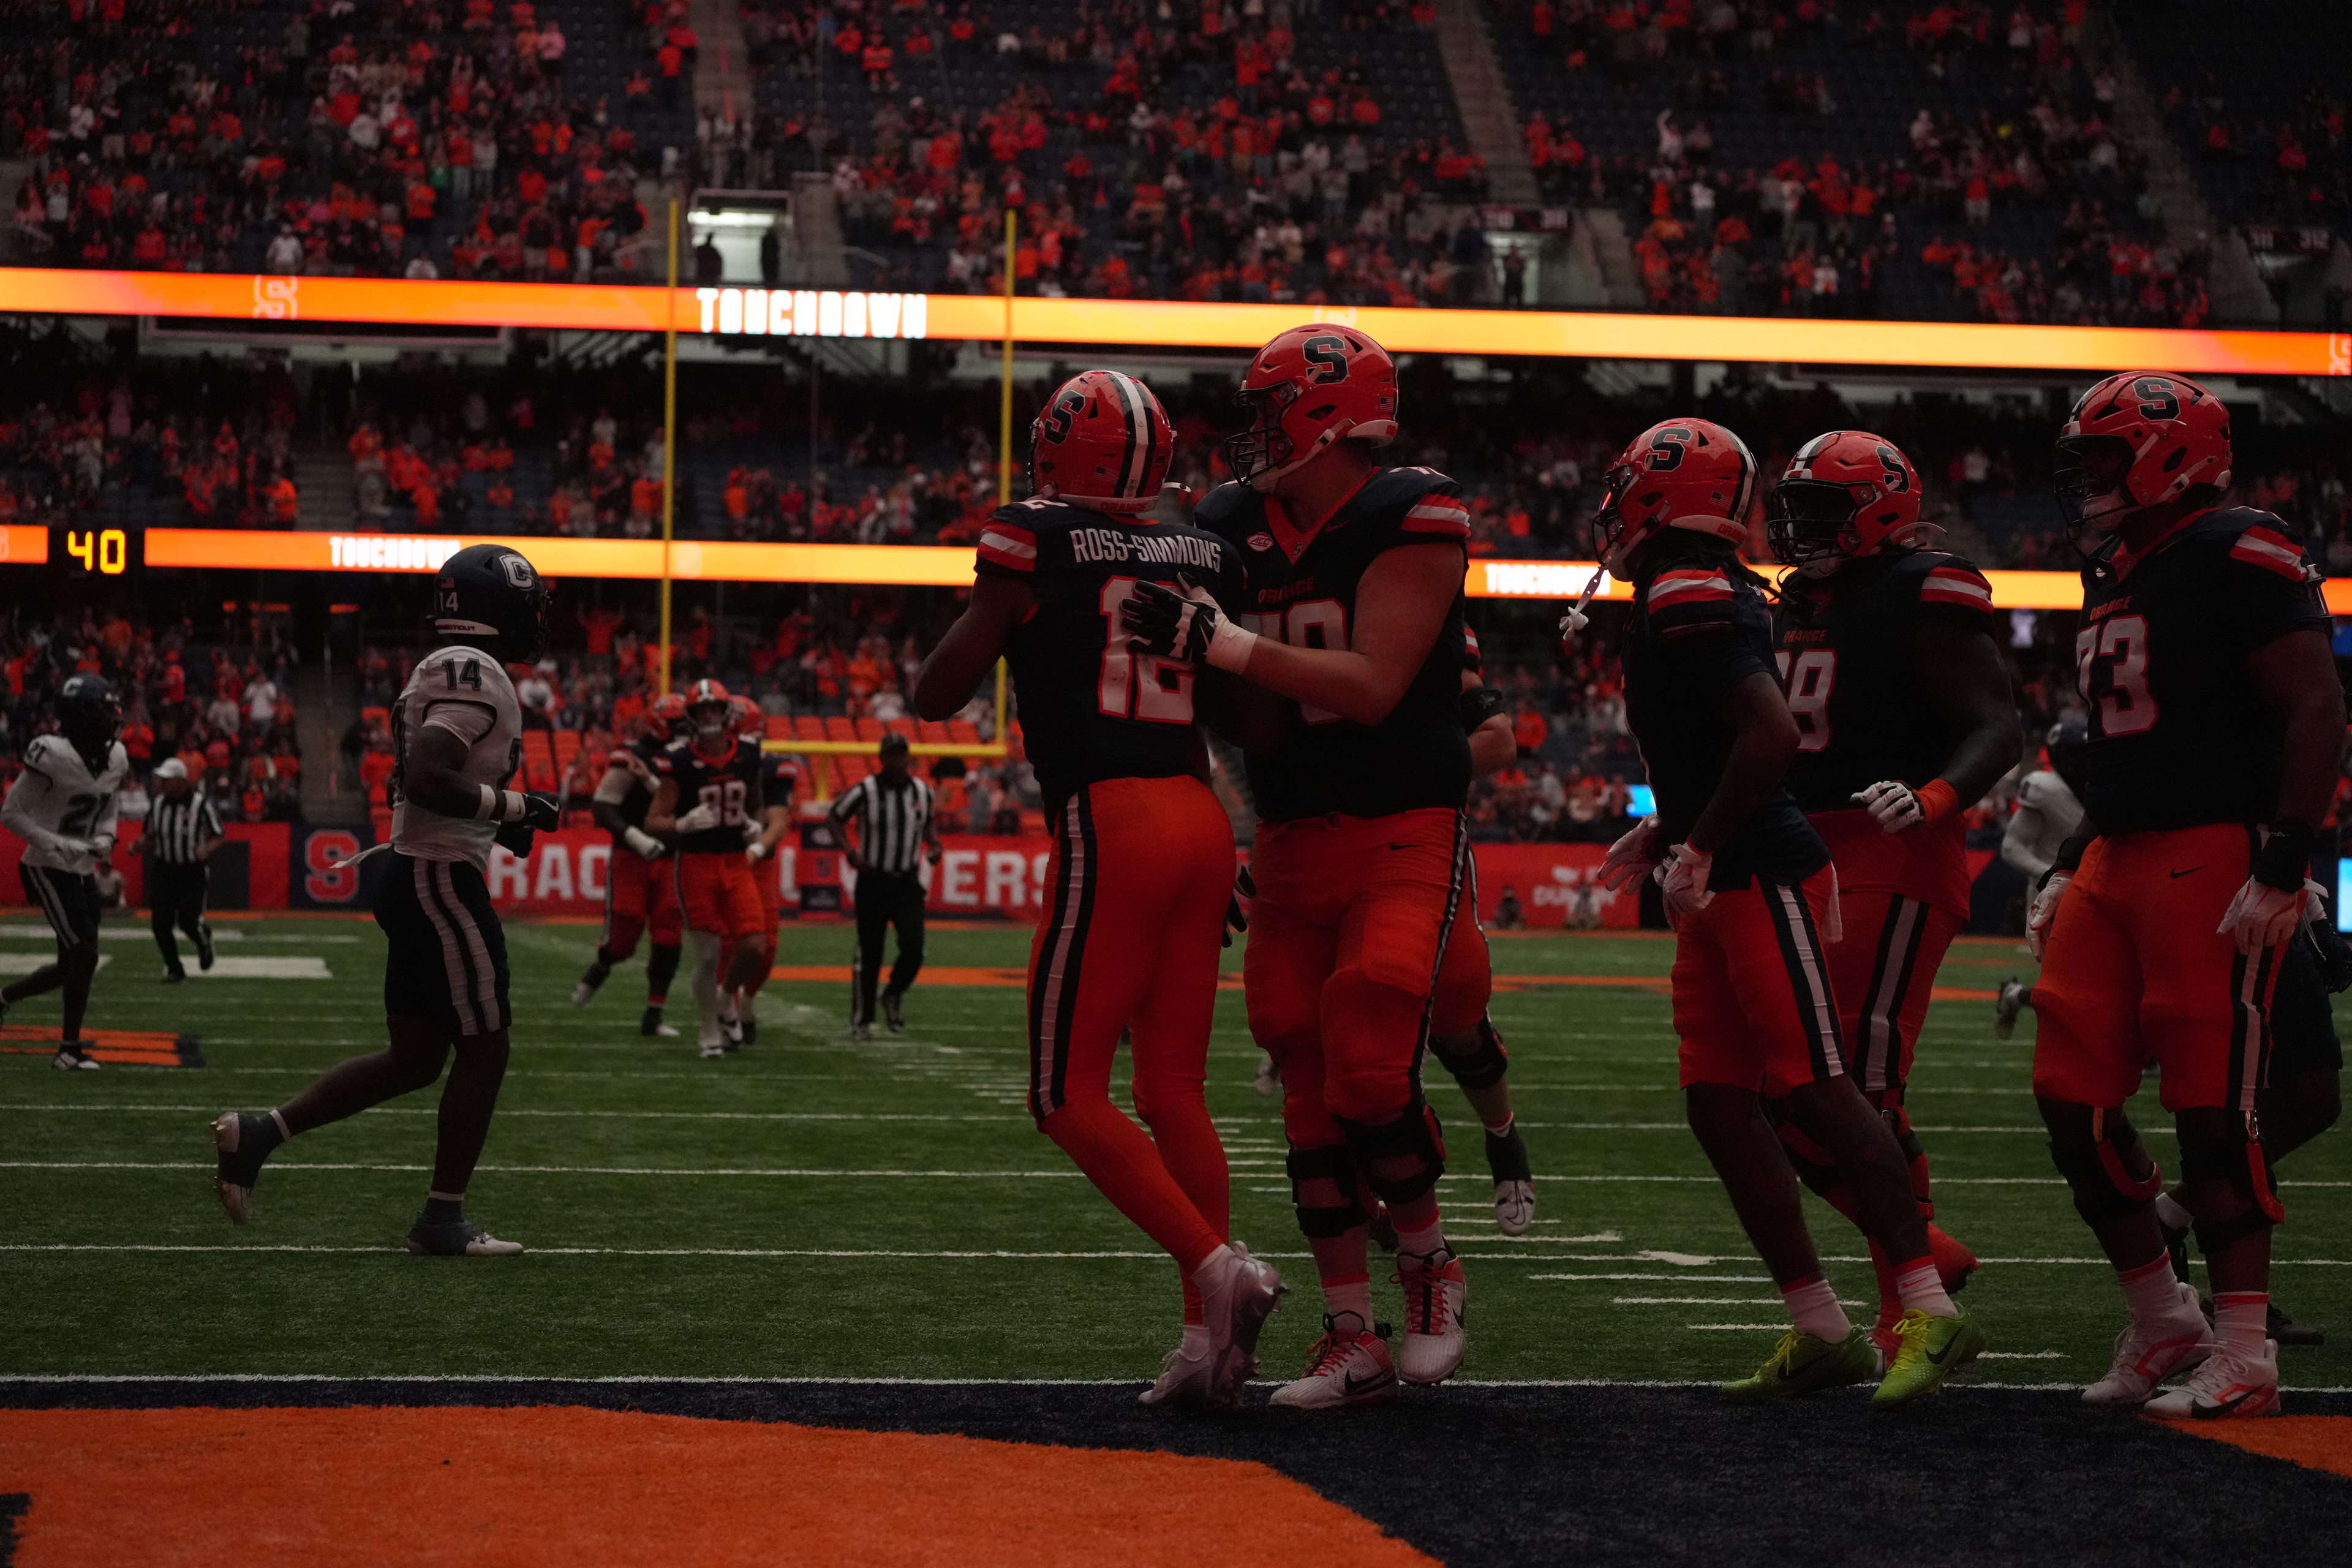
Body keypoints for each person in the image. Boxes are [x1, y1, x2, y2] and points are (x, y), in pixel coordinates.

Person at [1585, 417, 1983, 1407]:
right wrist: (1675, 827)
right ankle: (1821, 1325)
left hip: (1761, 868)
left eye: (1626, 487)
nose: (1611, 506)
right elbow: (1721, 739)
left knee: (1820, 1085)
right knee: (1720, 1102)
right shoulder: (1696, 586)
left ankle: (1927, 1304)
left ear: (1661, 495)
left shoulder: (1688, 589)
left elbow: (1769, 736)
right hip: (1727, 862)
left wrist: (1704, 842)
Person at [911, 367, 1283, 1409]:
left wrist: (1002, 613)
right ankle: (1207, 1342)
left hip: (1112, 819)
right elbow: (1236, 713)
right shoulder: (1203, 549)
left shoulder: (1031, 537)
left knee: (1065, 1093)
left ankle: (1219, 1270)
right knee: (1174, 1091)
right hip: (1202, 816)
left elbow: (936, 694)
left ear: (1058, 448)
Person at [1125, 324, 1474, 1407]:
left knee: (1370, 1053)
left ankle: (1430, 1263)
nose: (1252, 431)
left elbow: (1370, 687)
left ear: (1326, 415)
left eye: (1269, 408)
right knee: (1303, 1073)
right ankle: (1351, 1333)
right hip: (1287, 833)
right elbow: (1259, 722)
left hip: (1401, 820)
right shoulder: (1230, 521)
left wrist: (1223, 644)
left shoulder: (1412, 511)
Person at [2028, 371, 2345, 1417]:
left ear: (2170, 455)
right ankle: (2166, 1319)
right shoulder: (2118, 567)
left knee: (2216, 1109)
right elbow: (2132, 749)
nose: (2088, 477)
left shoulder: (2240, 546)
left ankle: (2246, 1354)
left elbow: (2316, 707)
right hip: (2117, 853)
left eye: (2104, 455)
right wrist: (2070, 859)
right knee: (2070, 1096)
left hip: (2210, 852)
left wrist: (2285, 857)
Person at [211, 543, 559, 1254]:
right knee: (485, 1047)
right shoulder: (474, 670)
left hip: (416, 870)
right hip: (438, 878)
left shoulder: (446, 666)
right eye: (526, 606)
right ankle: (441, 1219)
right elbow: (429, 777)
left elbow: (420, 780)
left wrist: (500, 820)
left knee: (416, 1058)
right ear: (497, 607)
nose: (534, 619)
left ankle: (260, 1133)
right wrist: (517, 806)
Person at [1764, 429, 2021, 1359]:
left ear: (1880, 511)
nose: (1803, 527)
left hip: (1894, 848)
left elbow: (1999, 726)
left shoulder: (1927, 587)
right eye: (1796, 507)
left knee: (1861, 1086)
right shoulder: (1798, 600)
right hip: (1800, 849)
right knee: (1777, 1084)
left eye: (1823, 509)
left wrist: (1935, 796)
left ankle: (1904, 1311)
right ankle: (1924, 1254)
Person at [1425, 624, 1538, 1235]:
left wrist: (1402, 770)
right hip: (1316, 834)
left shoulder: (1427, 619)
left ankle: (1503, 1137)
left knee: (1458, 1020)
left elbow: (1497, 740)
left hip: (1418, 831)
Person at [1, 674, 129, 1069]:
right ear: (78, 715)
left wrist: (106, 836)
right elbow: (11, 813)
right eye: (101, 709)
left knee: (70, 963)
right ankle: (69, 1051)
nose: (111, 716)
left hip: (81, 866)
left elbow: (108, 807)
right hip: (46, 865)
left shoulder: (117, 755)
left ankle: (3, 999)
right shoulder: (52, 754)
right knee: (84, 953)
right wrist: (55, 843)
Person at [646, 679, 767, 1060]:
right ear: (692, 716)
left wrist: (754, 823)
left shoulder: (748, 752)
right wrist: (681, 825)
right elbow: (654, 820)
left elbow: (756, 801)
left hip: (735, 860)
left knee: (755, 945)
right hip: (696, 864)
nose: (710, 715)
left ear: (727, 712)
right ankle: (709, 1030)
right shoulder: (679, 759)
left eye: (715, 708)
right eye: (702, 710)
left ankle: (726, 995)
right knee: (708, 956)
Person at [573, 691, 691, 1037]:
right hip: (632, 857)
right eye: (680, 723)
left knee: (669, 936)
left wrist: (653, 784)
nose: (688, 729)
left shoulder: (691, 757)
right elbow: (602, 806)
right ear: (660, 724)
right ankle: (602, 965)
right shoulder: (633, 755)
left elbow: (683, 805)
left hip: (672, 858)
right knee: (623, 939)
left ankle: (654, 1014)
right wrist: (636, 838)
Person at [828, 732, 941, 1039]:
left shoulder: (922, 791)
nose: (896, 760)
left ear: (908, 757)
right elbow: (835, 818)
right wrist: (850, 852)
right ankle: (862, 1019)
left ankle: (892, 993)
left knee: (915, 949)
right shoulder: (866, 789)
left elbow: (928, 822)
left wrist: (934, 845)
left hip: (906, 881)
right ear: (881, 758)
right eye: (891, 754)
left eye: (901, 754)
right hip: (874, 881)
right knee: (870, 954)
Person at [1993, 717, 2087, 1038]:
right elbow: (2012, 847)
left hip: (2096, 888)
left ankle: (2013, 995)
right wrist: (2051, 874)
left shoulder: (2101, 784)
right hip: (2053, 896)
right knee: (2068, 986)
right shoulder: (2046, 789)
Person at [734, 693, 798, 1044]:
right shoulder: (705, 762)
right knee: (725, 944)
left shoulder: (771, 767)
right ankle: (724, 1010)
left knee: (765, 947)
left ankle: (745, 1001)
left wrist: (756, 849)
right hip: (718, 858)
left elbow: (778, 821)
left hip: (757, 864)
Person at [143, 756, 224, 984]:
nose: (161, 784)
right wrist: (138, 845)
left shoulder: (200, 804)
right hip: (165, 869)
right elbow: (149, 835)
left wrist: (206, 849)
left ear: (180, 781)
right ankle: (175, 969)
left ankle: (202, 938)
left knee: (188, 922)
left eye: (166, 780)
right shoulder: (158, 804)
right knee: (160, 924)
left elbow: (218, 834)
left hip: (191, 871)